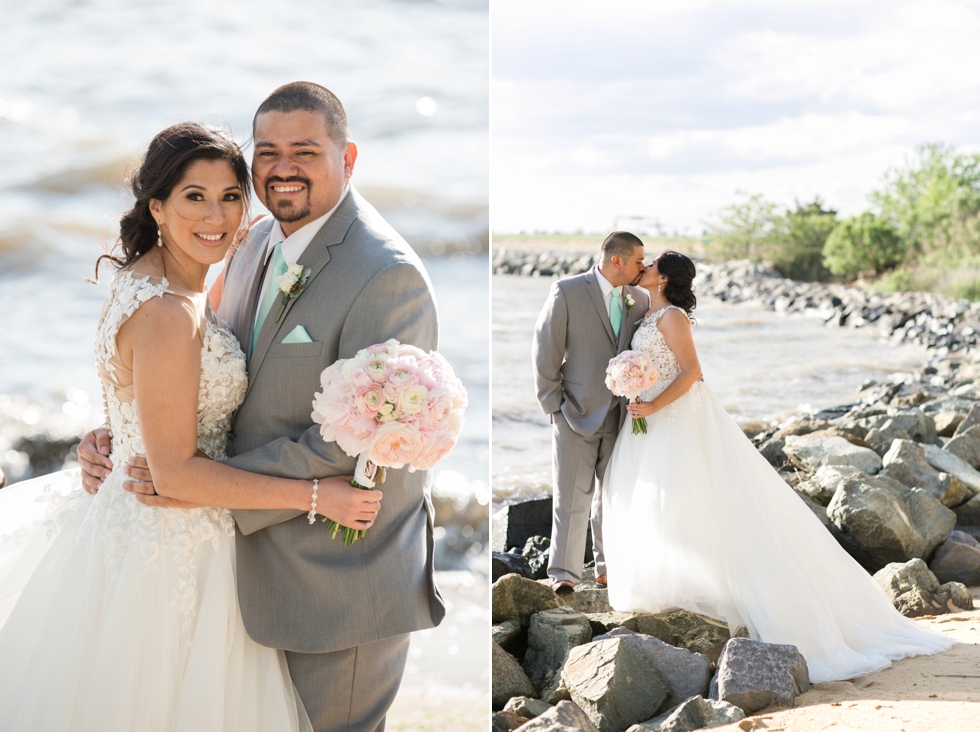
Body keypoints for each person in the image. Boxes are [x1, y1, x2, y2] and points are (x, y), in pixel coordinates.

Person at [74, 82, 445, 732]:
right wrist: (130, 433)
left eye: (305, 149)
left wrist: (195, 480)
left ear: (348, 156)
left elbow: (353, 448)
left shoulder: (386, 276)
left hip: (334, 582)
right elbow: (194, 372)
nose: (282, 167)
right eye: (267, 151)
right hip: (236, 572)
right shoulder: (246, 243)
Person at [0, 121, 374, 730]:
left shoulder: (151, 280)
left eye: (230, 196)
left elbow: (141, 395)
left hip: (142, 523)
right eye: (194, 197)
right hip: (168, 544)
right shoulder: (170, 312)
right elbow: (174, 472)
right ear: (157, 205)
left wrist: (113, 434)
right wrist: (316, 496)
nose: (217, 216)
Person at [601, 250, 955, 683]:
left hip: (677, 416)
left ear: (664, 278)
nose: (646, 266)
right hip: (652, 421)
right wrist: (633, 386)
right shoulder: (645, 314)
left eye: (652, 263)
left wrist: (653, 402)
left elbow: (693, 371)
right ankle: (677, 582)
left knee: (699, 495)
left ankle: (733, 594)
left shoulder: (672, 316)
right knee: (663, 495)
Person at [531, 231, 650, 594]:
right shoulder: (566, 291)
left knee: (613, 494)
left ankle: (608, 568)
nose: (642, 268)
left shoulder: (640, 299)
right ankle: (564, 574)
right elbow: (545, 349)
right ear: (617, 261)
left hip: (621, 415)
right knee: (571, 495)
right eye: (638, 261)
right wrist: (553, 406)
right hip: (574, 413)